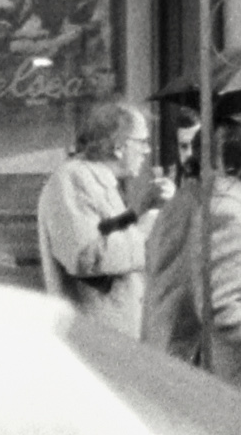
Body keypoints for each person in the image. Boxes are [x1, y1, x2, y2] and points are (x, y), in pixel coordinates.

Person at [143, 118, 241, 394]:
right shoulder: (205, 206)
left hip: (191, 360)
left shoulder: (200, 200)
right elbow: (192, 296)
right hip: (193, 363)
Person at [36, 99, 157, 337]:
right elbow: (84, 256)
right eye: (142, 141)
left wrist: (142, 211)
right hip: (93, 340)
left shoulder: (96, 181)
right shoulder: (72, 179)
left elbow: (105, 231)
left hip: (110, 337)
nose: (147, 150)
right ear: (118, 145)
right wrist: (143, 233)